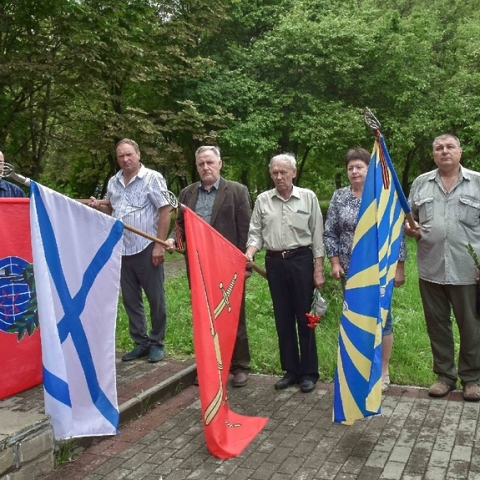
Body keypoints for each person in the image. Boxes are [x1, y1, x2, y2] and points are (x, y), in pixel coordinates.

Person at [165, 146, 252, 387]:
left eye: (210, 162)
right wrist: (174, 239)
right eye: (201, 163)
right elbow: (180, 225)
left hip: (228, 266)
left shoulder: (236, 191)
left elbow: (245, 231)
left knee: (234, 314)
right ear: (197, 166)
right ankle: (211, 366)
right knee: (205, 317)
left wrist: (247, 266)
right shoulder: (186, 194)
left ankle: (239, 365)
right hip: (198, 265)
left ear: (220, 163)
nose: (206, 167)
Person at [323, 147, 406, 393]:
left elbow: (397, 232)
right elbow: (331, 232)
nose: (354, 171)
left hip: (380, 269)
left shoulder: (383, 195)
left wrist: (399, 267)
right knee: (355, 318)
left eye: (359, 166)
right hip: (351, 271)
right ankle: (358, 368)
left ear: (369, 170)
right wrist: (335, 263)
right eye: (350, 168)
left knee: (383, 318)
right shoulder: (339, 197)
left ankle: (382, 371)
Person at [405, 134, 480, 401]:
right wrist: (409, 228)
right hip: (431, 268)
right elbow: (409, 218)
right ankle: (445, 376)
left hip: (468, 270)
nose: (444, 151)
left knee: (471, 326)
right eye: (439, 148)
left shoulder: (477, 182)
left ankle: (471, 379)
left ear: (460, 151)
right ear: (433, 154)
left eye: (450, 147)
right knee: (437, 325)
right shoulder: (421, 183)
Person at [245, 153, 325, 393]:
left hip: (301, 261)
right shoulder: (262, 200)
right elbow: (255, 232)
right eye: (275, 173)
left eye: (283, 172)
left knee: (306, 318)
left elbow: (317, 235)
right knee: (283, 317)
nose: (279, 177)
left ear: (293, 173)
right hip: (274, 263)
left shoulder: (308, 197)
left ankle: (309, 372)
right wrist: (250, 252)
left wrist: (318, 269)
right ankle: (291, 370)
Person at [90, 139, 171, 363]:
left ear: (138, 154)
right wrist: (100, 205)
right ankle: (141, 342)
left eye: (129, 155)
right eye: (121, 156)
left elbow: (165, 210)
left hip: (146, 247)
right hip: (122, 249)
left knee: (155, 298)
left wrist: (159, 244)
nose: (125, 159)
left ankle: (156, 342)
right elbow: (113, 209)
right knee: (130, 299)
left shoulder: (152, 178)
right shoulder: (113, 181)